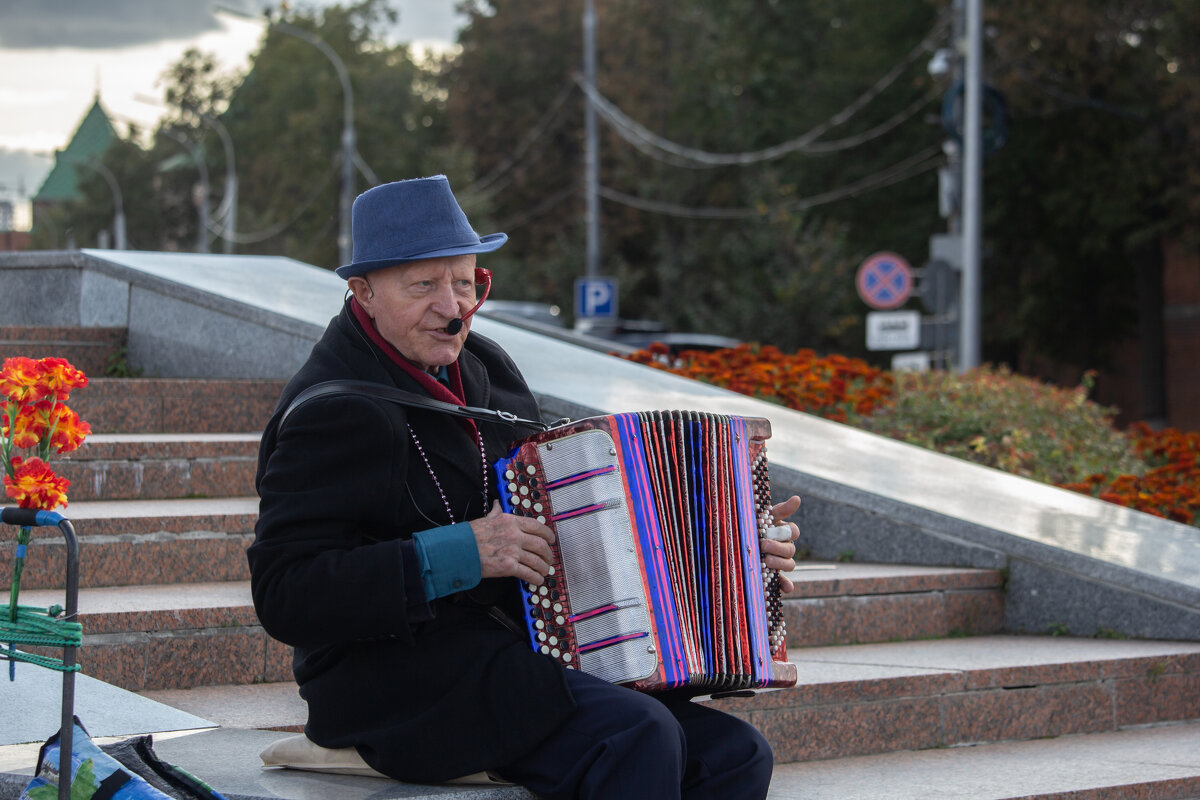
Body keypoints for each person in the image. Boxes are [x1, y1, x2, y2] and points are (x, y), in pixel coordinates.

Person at [249, 175, 803, 799]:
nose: (452, 306)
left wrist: (730, 550)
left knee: (735, 753)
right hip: (391, 678)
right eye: (424, 285)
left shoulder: (489, 370)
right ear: (363, 293)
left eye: (465, 283)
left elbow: (559, 518)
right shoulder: (333, 409)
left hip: (509, 648)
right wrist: (462, 552)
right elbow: (285, 594)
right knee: (636, 737)